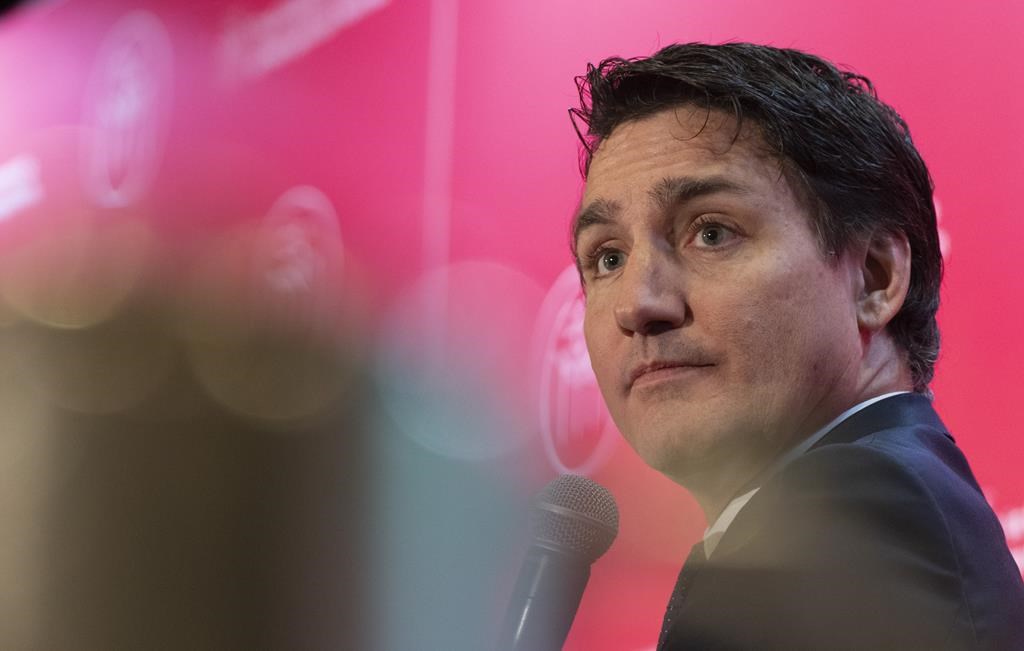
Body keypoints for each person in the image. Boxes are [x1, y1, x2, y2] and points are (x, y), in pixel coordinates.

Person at [569, 42, 1024, 649]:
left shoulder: (862, 515)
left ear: (874, 278)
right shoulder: (847, 507)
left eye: (711, 232)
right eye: (608, 257)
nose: (637, 304)